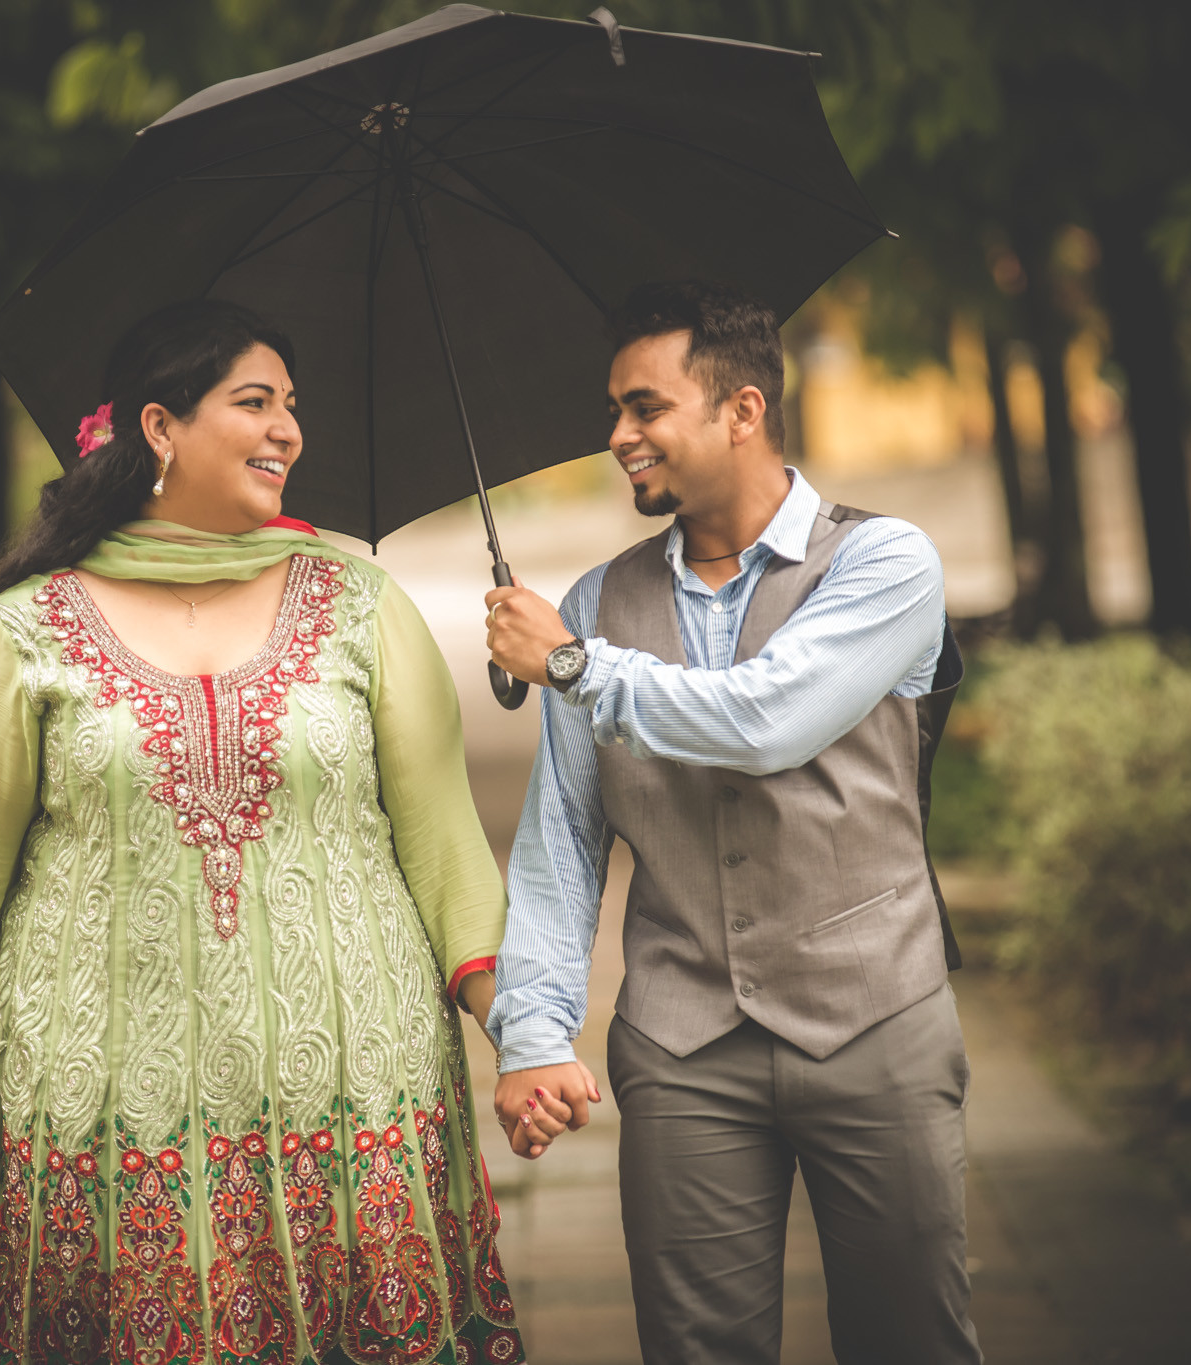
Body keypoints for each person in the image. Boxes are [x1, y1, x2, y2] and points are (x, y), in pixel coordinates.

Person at [0, 300, 523, 1365]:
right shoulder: (27, 630)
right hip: (111, 1125)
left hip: (358, 1107)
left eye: (292, 408)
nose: (287, 431)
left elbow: (448, 854)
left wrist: (525, 1042)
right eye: (253, 402)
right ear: (159, 429)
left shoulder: (361, 605)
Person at [481, 280, 977, 1365]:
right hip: (678, 1044)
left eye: (644, 408)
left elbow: (766, 721)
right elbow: (562, 838)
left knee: (913, 1344)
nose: (618, 436)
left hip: (875, 1021)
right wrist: (530, 1034)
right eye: (615, 410)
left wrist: (569, 668)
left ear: (741, 410)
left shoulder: (885, 563)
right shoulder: (594, 603)